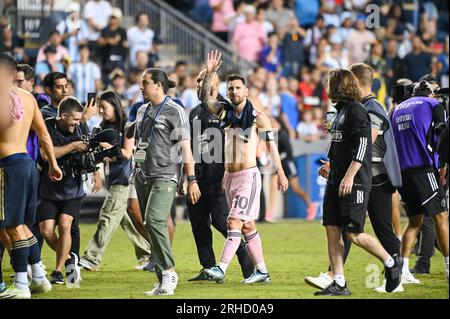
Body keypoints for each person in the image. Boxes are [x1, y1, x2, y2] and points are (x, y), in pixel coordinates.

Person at [305, 63, 404, 293]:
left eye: (329, 82)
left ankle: (391, 263)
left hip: (354, 180)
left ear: (340, 85)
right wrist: (331, 165)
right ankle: (339, 281)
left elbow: (363, 145)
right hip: (335, 180)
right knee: (331, 228)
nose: (326, 86)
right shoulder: (340, 111)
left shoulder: (357, 110)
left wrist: (349, 176)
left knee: (353, 233)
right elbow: (339, 144)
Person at [200, 50, 289, 284]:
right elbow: (205, 99)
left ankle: (221, 268)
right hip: (229, 177)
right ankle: (262, 271)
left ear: (246, 91)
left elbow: (271, 147)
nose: (233, 91)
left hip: (248, 176)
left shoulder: (260, 118)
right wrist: (210, 73)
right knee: (247, 225)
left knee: (233, 222)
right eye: (230, 89)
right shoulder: (225, 113)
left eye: (238, 88)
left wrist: (280, 171)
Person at [133, 68, 201, 296]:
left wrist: (190, 178)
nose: (141, 87)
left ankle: (169, 271)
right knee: (149, 224)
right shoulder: (142, 110)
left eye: (145, 83)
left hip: (166, 175)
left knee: (154, 219)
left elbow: (185, 148)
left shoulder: (176, 111)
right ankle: (161, 278)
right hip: (143, 175)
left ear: (158, 86)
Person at [0, 52, 62, 299]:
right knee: (23, 227)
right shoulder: (28, 97)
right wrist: (53, 164)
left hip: (7, 167)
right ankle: (38, 277)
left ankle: (21, 285)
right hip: (27, 164)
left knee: (12, 226)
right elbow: (44, 135)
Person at [186, 69, 254, 282]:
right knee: (198, 224)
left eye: (202, 81)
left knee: (221, 221)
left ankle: (249, 265)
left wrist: (227, 176)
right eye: (197, 81)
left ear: (214, 85)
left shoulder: (225, 108)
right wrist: (187, 177)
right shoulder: (194, 112)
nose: (198, 84)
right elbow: (189, 147)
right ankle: (208, 267)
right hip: (197, 176)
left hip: (219, 178)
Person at [79, 91, 151, 272]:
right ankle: (147, 253)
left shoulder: (127, 125)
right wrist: (96, 171)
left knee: (108, 215)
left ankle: (91, 258)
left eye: (105, 107)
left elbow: (126, 154)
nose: (102, 111)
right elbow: (90, 151)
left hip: (125, 176)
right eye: (100, 108)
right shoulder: (101, 127)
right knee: (124, 218)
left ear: (115, 106)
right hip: (115, 177)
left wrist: (107, 147)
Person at [37, 97, 100, 285]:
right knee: (47, 231)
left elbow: (89, 152)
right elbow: (44, 154)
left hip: (73, 188)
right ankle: (71, 261)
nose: (77, 123)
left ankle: (57, 271)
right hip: (49, 187)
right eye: (74, 119)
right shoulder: (48, 125)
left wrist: (96, 171)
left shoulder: (81, 127)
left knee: (65, 225)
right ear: (63, 116)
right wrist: (73, 146)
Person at [391, 80, 449, 283]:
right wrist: (442, 164)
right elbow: (443, 133)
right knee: (441, 216)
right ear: (431, 94)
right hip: (423, 168)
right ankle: (449, 266)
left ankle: (403, 270)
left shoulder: (397, 110)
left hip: (402, 172)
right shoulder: (433, 104)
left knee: (414, 221)